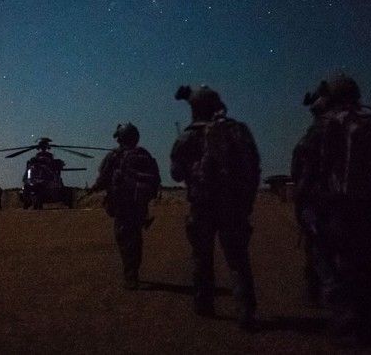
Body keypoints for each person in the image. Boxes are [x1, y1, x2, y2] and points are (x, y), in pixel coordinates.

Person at [291, 75, 371, 343]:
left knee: (328, 265)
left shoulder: (326, 125)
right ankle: (364, 324)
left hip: (334, 208)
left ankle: (345, 325)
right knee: (364, 265)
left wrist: (305, 207)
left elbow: (302, 165)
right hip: (369, 208)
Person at [171, 85, 260, 330]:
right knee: (238, 260)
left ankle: (203, 304)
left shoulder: (187, 136)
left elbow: (176, 174)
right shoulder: (237, 131)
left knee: (201, 256)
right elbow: (253, 167)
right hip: (233, 206)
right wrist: (247, 201)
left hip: (201, 206)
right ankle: (246, 310)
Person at [93, 123, 161, 290]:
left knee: (124, 239)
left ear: (121, 138)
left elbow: (103, 178)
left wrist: (95, 187)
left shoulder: (114, 156)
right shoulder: (144, 154)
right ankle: (133, 272)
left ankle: (131, 277)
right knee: (136, 238)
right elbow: (156, 179)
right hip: (140, 205)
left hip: (122, 204)